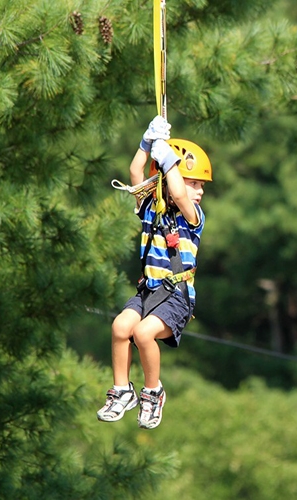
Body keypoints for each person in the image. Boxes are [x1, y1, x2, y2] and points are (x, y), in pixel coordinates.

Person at [97, 116, 212, 429]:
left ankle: (153, 392)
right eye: (195, 183)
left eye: (201, 186)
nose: (199, 191)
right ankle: (122, 391)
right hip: (150, 290)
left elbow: (178, 194)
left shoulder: (193, 216)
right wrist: (146, 144)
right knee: (121, 327)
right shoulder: (150, 206)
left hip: (177, 297)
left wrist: (167, 158)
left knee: (143, 333)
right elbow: (136, 173)